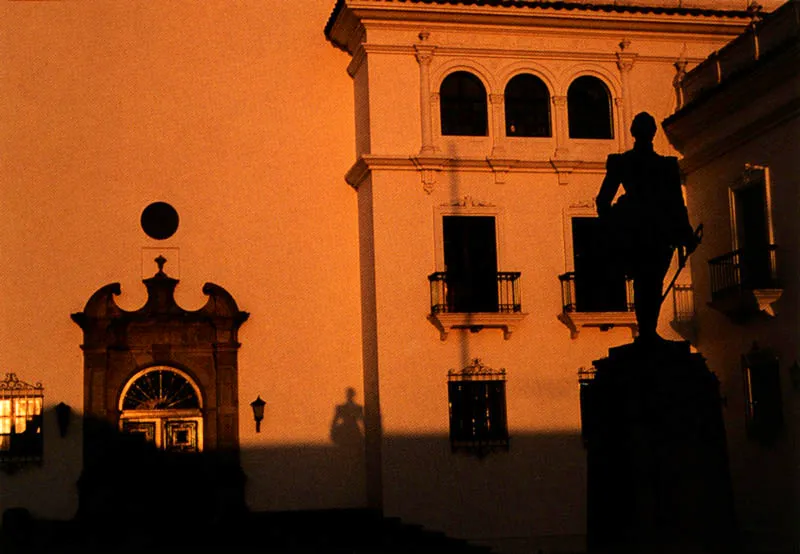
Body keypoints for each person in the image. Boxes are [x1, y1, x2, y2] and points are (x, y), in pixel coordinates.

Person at [596, 112, 697, 343]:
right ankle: (648, 333)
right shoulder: (664, 166)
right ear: (652, 133)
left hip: (639, 228)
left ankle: (648, 332)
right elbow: (677, 204)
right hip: (655, 229)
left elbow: (603, 202)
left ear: (634, 132)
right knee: (651, 281)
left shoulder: (624, 163)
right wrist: (686, 234)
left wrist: (612, 223)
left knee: (646, 282)